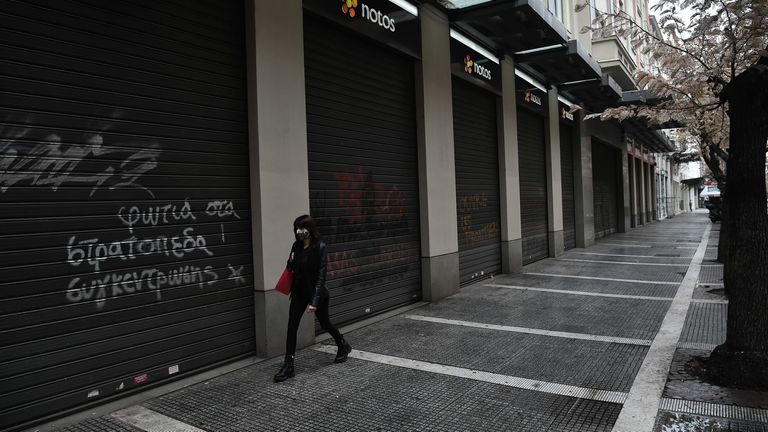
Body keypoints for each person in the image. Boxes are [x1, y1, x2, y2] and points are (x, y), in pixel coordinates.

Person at [274, 214, 352, 382]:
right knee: (292, 326)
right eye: (296, 228)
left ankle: (342, 344)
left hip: (317, 294)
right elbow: (292, 268)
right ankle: (289, 366)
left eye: (302, 228)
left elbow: (321, 277)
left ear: (310, 229)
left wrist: (314, 302)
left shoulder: (320, 247)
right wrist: (290, 262)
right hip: (298, 293)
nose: (298, 231)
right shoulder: (296, 246)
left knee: (325, 323)